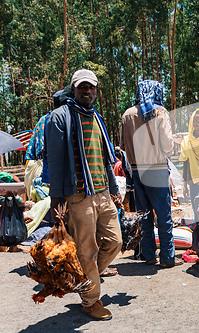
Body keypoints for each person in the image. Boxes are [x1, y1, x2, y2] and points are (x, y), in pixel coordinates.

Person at [46, 69, 121, 320]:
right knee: (87, 251)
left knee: (116, 242)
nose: (87, 91)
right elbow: (54, 163)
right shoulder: (59, 118)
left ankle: (84, 278)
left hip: (102, 193)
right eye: (82, 87)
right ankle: (91, 300)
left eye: (91, 87)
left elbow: (105, 159)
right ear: (74, 89)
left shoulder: (97, 118)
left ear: (96, 91)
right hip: (77, 196)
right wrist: (56, 202)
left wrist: (114, 189)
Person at [120, 80, 181, 268]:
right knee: (164, 216)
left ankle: (148, 255)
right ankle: (168, 257)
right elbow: (168, 144)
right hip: (157, 170)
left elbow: (122, 145)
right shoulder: (160, 112)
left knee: (144, 215)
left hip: (137, 171)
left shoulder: (127, 114)